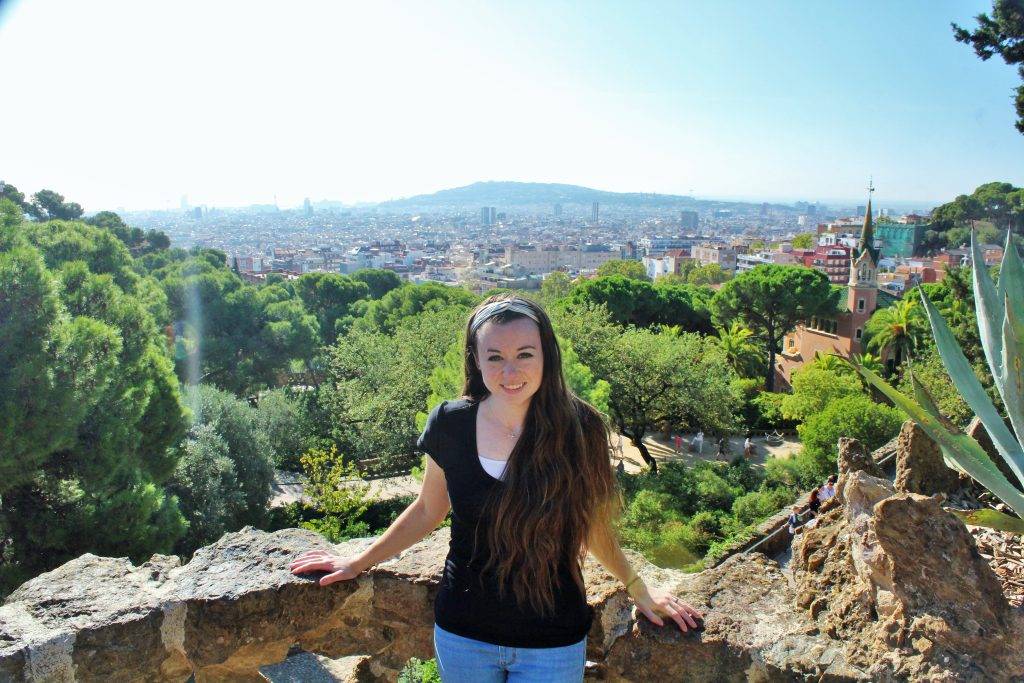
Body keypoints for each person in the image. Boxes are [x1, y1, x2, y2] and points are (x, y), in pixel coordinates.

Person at [291, 295, 703, 682]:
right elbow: (427, 510)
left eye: (525, 354)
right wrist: (355, 562)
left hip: (553, 638)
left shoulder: (581, 429)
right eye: (495, 357)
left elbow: (592, 527)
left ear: (547, 356)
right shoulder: (450, 424)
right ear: (476, 360)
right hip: (464, 633)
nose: (510, 372)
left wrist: (639, 588)